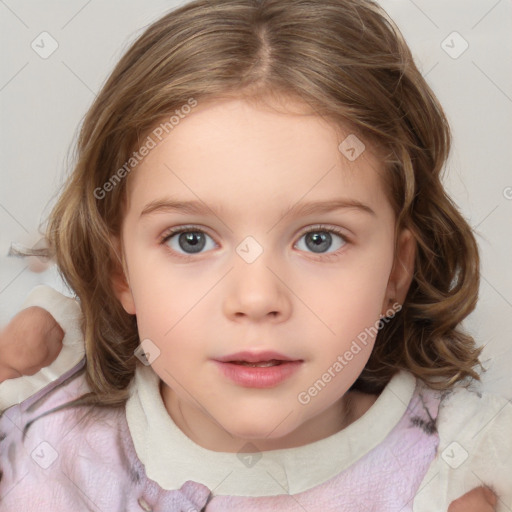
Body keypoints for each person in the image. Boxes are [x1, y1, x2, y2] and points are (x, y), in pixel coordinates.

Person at [0, 0, 509, 510]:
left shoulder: (458, 472)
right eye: (191, 240)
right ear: (121, 271)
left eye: (319, 239)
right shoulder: (37, 437)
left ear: (396, 272)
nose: (257, 298)